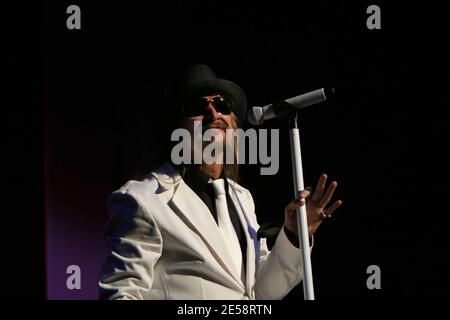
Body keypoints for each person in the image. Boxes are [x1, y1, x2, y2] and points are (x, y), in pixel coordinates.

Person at [98, 64, 342, 300]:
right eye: (198, 105)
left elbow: (260, 292)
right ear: (174, 127)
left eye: (222, 104)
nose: (214, 114)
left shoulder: (241, 198)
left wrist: (294, 235)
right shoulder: (143, 199)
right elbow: (121, 294)